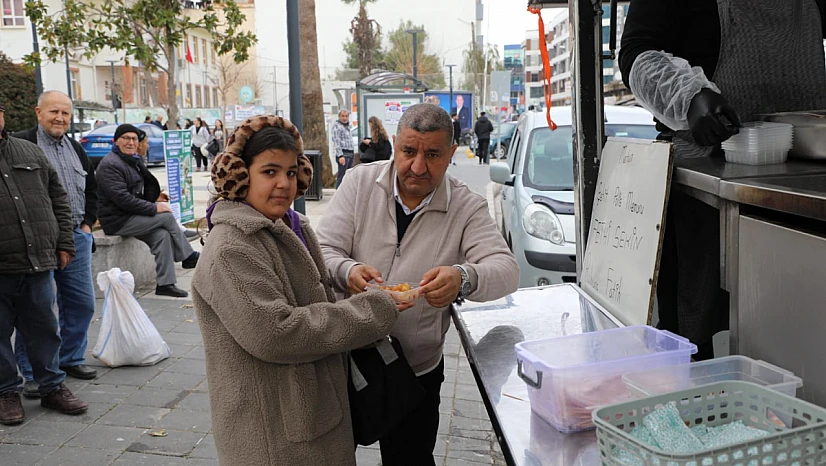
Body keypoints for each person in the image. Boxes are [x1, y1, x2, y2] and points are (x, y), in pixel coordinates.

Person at [619, 0, 826, 360]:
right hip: (705, 194)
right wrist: (689, 98)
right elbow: (637, 54)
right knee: (706, 351)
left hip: (807, 189)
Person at [316, 103, 519, 465]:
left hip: (416, 370)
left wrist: (463, 278)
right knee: (331, 456)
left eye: (433, 154)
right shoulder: (361, 183)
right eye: (409, 151)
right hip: (348, 357)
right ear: (394, 144)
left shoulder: (466, 207)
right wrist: (348, 271)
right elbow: (322, 250)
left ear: (451, 154)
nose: (418, 166)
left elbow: (506, 269)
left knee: (410, 460)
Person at [192, 115, 401, 465]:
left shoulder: (292, 224)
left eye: (291, 172)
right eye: (269, 172)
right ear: (239, 176)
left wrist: (354, 286)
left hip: (311, 415)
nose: (284, 184)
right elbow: (277, 333)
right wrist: (373, 310)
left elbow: (315, 302)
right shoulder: (231, 248)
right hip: (272, 434)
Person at [0, 100, 89, 425]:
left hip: (37, 262)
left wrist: (65, 241)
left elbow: (59, 198)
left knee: (44, 330)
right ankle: (7, 392)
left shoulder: (29, 151)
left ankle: (52, 387)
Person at [96, 124, 199, 298]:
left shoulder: (130, 160)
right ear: (116, 141)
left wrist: (155, 199)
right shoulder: (110, 165)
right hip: (117, 220)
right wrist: (154, 208)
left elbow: (135, 194)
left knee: (162, 236)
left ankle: (165, 284)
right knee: (166, 217)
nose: (130, 142)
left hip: (130, 216)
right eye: (126, 138)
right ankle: (187, 256)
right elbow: (123, 199)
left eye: (134, 139)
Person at [332, 109, 355, 188]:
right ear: (339, 117)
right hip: (343, 154)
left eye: (346, 116)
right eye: (343, 116)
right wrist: (340, 155)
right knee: (341, 176)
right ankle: (338, 194)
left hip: (350, 153)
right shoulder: (337, 126)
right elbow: (337, 142)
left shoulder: (348, 126)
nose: (345, 118)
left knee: (348, 177)